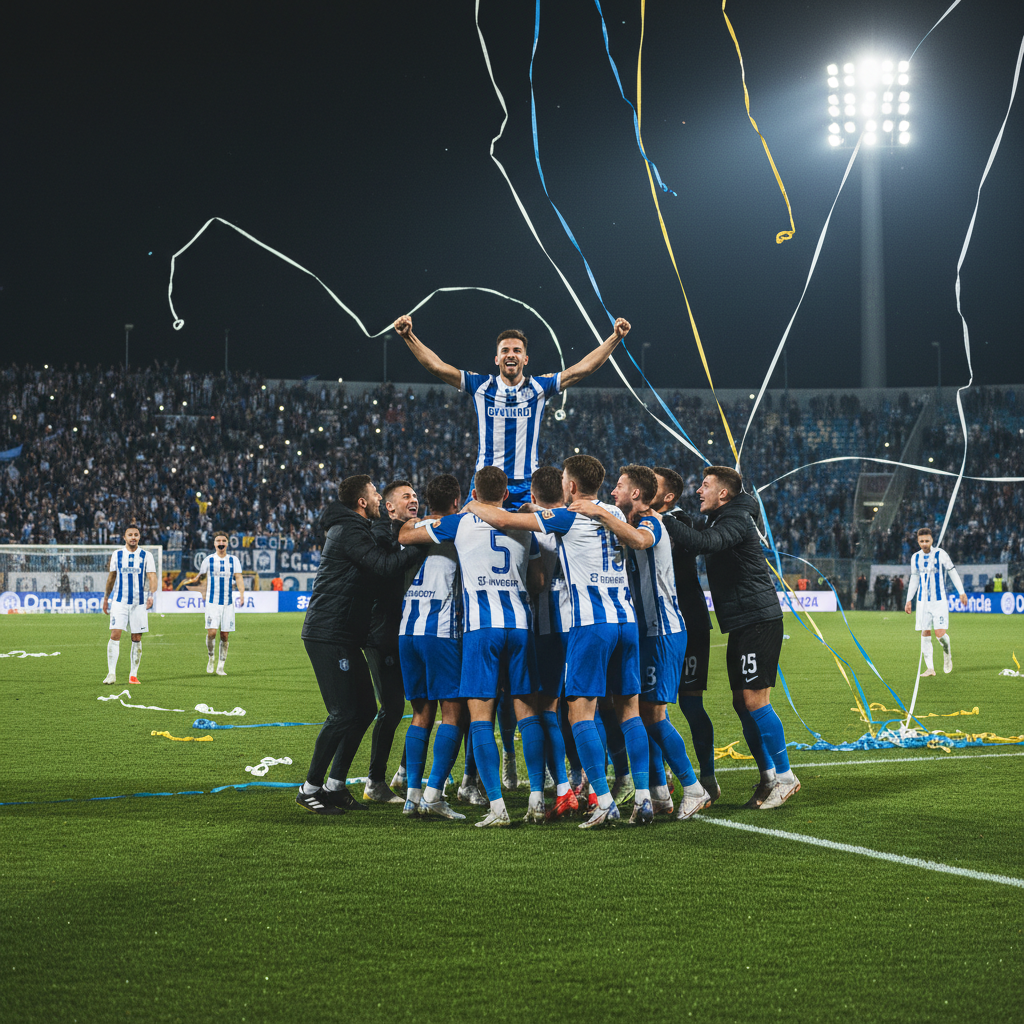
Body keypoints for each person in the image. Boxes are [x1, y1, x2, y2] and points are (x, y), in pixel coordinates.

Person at [465, 454, 652, 829]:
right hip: (626, 622)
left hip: (591, 623)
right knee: (628, 710)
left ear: (570, 486)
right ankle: (645, 798)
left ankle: (601, 799)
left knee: (578, 712)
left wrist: (472, 504)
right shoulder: (613, 512)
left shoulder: (568, 517)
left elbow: (502, 519)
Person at [399, 465, 548, 827]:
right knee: (526, 713)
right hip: (520, 625)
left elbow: (407, 535)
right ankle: (537, 799)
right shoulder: (523, 523)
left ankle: (496, 807)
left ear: (473, 494)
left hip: (481, 629)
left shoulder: (459, 523)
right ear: (505, 495)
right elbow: (539, 580)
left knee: (480, 716)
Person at [572, 465, 710, 822]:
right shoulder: (630, 523)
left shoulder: (651, 523)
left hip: (663, 631)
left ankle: (693, 787)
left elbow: (640, 541)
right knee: (636, 712)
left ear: (636, 494)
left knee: (652, 714)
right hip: (644, 631)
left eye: (619, 487)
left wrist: (598, 511)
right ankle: (659, 794)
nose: (613, 492)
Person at [665, 466, 800, 810]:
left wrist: (662, 518)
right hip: (742, 621)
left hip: (758, 619)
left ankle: (786, 777)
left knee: (756, 701)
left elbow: (705, 543)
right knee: (742, 703)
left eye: (705, 485)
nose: (699, 491)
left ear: (723, 493)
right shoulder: (726, 514)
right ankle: (769, 776)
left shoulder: (736, 519)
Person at [393, 313, 631, 507]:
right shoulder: (480, 386)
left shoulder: (539, 386)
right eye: (505, 350)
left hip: (527, 485)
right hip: (485, 484)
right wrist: (408, 336)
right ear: (497, 359)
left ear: (525, 359)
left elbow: (580, 370)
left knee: (538, 546)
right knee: (463, 538)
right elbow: (437, 367)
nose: (511, 354)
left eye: (517, 350)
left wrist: (615, 338)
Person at [295, 475, 427, 816]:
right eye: (374, 493)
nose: (379, 499)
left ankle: (336, 786)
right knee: (342, 713)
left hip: (346, 632)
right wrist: (422, 544)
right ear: (362, 502)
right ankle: (309, 788)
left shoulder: (358, 528)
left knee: (367, 708)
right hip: (328, 632)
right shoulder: (351, 531)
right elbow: (383, 566)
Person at [395, 473, 471, 820]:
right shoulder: (458, 526)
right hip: (439, 631)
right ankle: (434, 794)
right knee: (453, 714)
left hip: (407, 630)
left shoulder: (415, 527)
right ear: (455, 501)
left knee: (421, 714)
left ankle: (412, 796)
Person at [652, 465, 719, 808]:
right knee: (651, 703)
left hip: (689, 622)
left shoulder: (685, 522)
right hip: (656, 623)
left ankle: (706, 775)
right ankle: (659, 778)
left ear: (669, 496)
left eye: (655, 484)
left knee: (691, 703)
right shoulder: (645, 520)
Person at [521, 465, 579, 821]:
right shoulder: (575, 521)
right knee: (577, 707)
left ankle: (551, 788)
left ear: (532, 495)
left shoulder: (534, 530)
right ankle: (580, 780)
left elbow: (536, 582)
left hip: (541, 627)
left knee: (539, 709)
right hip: (573, 625)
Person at [362, 479, 420, 803]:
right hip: (382, 634)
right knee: (393, 708)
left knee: (420, 704)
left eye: (415, 495)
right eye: (405, 496)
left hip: (406, 631)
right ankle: (374, 781)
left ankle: (404, 772)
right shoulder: (382, 534)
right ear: (390, 506)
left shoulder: (413, 531)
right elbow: (383, 573)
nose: (413, 499)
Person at [904, 527, 968, 675]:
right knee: (925, 633)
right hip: (922, 602)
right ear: (918, 541)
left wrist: (961, 591)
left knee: (940, 635)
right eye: (921, 541)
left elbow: (952, 571)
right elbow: (914, 578)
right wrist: (909, 600)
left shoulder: (940, 554)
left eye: (927, 541)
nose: (924, 544)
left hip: (938, 602)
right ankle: (930, 668)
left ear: (932, 540)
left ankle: (947, 654)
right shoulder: (915, 557)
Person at [102, 524, 157, 685]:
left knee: (136, 637)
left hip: (139, 603)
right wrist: (106, 597)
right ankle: (111, 673)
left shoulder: (146, 556)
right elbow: (111, 577)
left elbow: (152, 577)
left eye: (136, 534)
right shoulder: (117, 555)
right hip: (119, 602)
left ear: (139, 537)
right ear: (124, 538)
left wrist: (152, 595)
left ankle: (133, 675)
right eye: (130, 535)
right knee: (115, 634)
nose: (133, 537)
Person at [184, 531, 244, 675]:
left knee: (225, 635)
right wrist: (197, 583)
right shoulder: (208, 560)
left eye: (224, 540)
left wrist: (242, 595)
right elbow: (202, 577)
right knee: (212, 633)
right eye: (218, 541)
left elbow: (239, 577)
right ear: (214, 543)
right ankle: (211, 657)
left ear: (227, 543)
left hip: (228, 603)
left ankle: (221, 666)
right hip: (212, 602)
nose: (221, 543)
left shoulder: (234, 560)